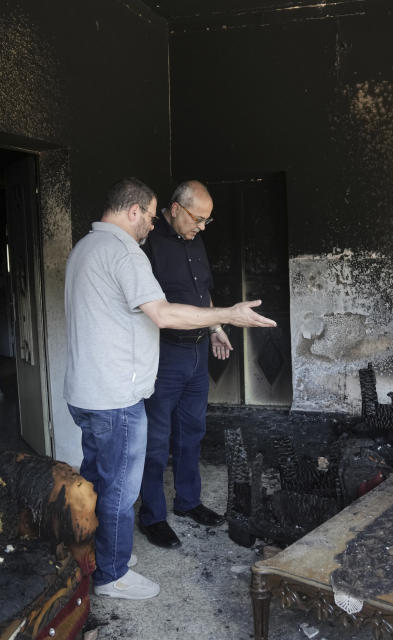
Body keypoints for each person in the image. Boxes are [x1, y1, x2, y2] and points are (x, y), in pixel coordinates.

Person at [63, 177, 275, 600]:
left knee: (96, 480)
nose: (150, 229)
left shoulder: (85, 248)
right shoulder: (129, 252)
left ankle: (99, 555)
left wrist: (214, 324)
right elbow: (160, 314)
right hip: (118, 392)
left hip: (88, 390)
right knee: (122, 487)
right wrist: (229, 314)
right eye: (197, 218)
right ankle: (112, 574)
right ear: (139, 211)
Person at [137, 180, 231, 550]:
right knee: (157, 441)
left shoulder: (196, 240)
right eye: (198, 219)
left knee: (192, 432)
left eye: (208, 221)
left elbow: (202, 292)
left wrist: (217, 327)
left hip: (197, 351)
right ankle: (153, 517)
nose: (202, 227)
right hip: (164, 354)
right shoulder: (148, 245)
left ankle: (188, 502)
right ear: (175, 208)